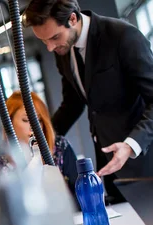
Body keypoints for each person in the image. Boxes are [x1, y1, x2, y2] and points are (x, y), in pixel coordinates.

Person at [24, 0, 153, 201]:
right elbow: (72, 104)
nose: (50, 47)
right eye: (44, 41)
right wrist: (42, 141)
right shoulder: (63, 50)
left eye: (54, 37)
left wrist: (130, 145)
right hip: (110, 168)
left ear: (72, 18)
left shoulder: (122, 36)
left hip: (145, 164)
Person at [0, 91, 79, 194]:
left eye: (39, 120)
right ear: (9, 122)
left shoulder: (60, 147)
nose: (34, 127)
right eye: (26, 120)